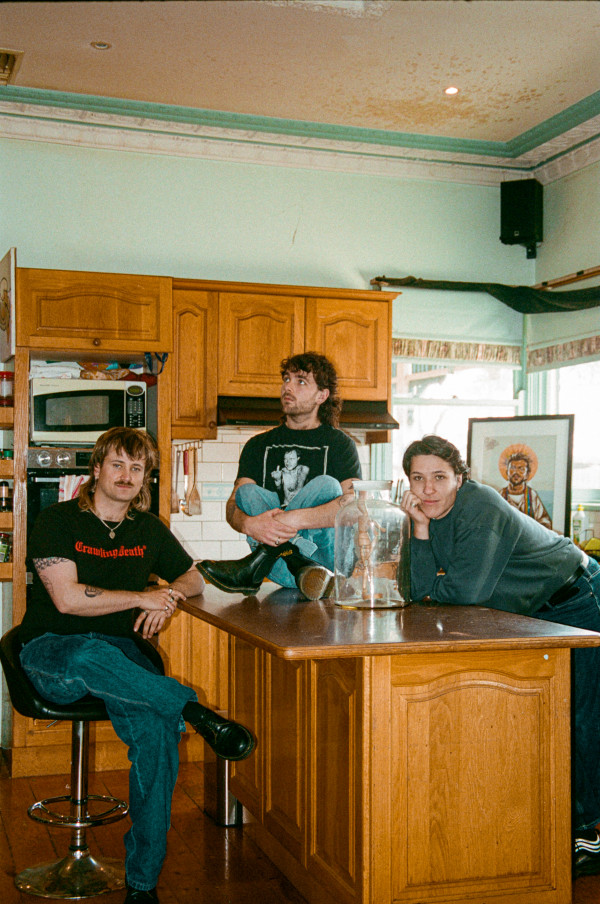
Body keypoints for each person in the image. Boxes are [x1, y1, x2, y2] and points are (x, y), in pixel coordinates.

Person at [19, 427, 255, 904]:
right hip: (53, 650)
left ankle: (142, 884)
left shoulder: (147, 529)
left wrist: (168, 597)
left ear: (145, 477)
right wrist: (140, 596)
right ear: (96, 469)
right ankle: (191, 709)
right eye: (117, 465)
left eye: (137, 468)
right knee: (89, 654)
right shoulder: (56, 520)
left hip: (120, 657)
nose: (127, 475)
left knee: (158, 735)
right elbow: (67, 601)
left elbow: (193, 578)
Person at [399, 434, 600, 879]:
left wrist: (439, 584)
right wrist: (420, 530)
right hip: (530, 614)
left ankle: (589, 837)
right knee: (549, 719)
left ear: (460, 477)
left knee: (581, 717)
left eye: (439, 477)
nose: (428, 489)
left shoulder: (481, 507)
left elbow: (464, 593)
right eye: (418, 478)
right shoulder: (426, 513)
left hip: (575, 595)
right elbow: (416, 589)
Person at [197, 352, 361, 600]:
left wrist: (290, 519)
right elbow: (233, 505)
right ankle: (293, 561)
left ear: (322, 395)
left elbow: (355, 506)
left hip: (323, 563)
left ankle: (253, 566)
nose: (288, 387)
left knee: (327, 486)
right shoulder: (257, 445)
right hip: (281, 568)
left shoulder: (340, 444)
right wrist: (248, 524)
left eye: (300, 381)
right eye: (286, 379)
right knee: (246, 493)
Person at [499, 446, 553, 529]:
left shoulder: (532, 496)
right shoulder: (500, 495)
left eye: (521, 469)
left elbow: (545, 523)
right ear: (507, 472)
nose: (516, 472)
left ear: (527, 474)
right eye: (512, 468)